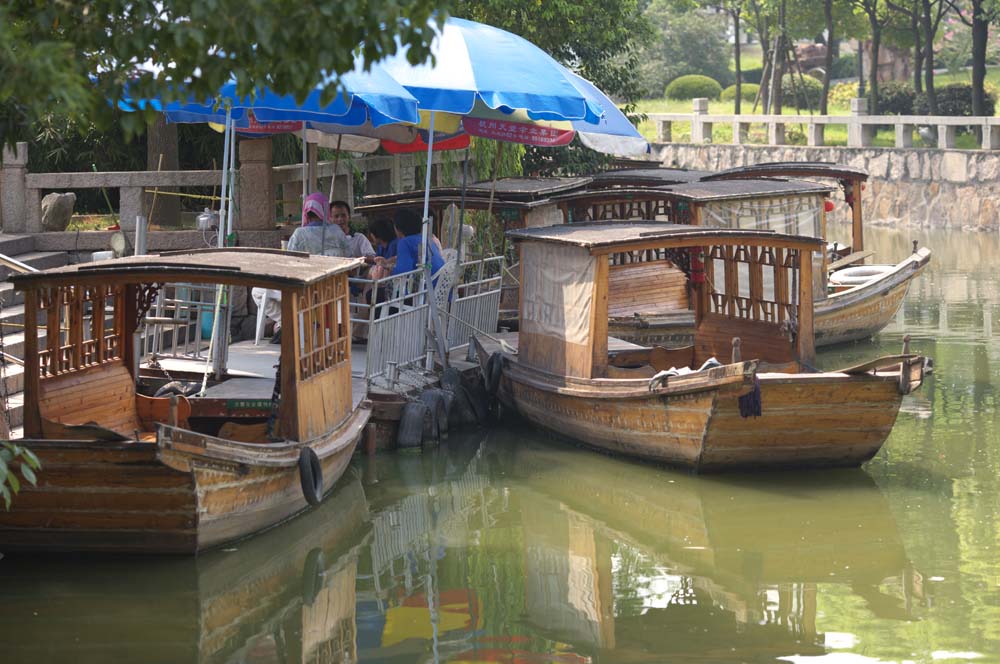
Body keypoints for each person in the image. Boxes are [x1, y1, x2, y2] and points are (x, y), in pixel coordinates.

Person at [252, 192, 349, 342]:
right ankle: (296, 321)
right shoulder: (338, 231)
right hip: (335, 288)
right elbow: (349, 258)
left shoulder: (300, 234)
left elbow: (288, 264)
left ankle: (288, 321)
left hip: (304, 290)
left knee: (257, 291)